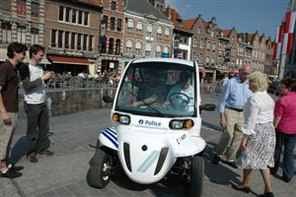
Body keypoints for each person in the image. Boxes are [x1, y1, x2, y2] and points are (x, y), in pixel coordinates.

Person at [233, 72, 275, 197]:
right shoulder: (268, 97)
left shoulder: (254, 99)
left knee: (248, 157)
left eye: (249, 82)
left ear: (254, 84)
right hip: (268, 130)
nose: (247, 84)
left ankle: (245, 184)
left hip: (257, 131)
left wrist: (244, 139)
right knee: (263, 161)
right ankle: (268, 190)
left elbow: (251, 121)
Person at [19, 45, 54, 163]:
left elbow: (41, 84)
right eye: (40, 54)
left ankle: (42, 149)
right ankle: (30, 153)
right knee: (32, 130)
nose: (42, 57)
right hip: (32, 103)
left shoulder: (39, 67)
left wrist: (47, 78)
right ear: (33, 54)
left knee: (44, 128)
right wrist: (43, 78)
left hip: (42, 101)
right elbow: (27, 86)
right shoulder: (24, 67)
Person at [212, 64, 252, 168]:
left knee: (238, 136)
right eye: (245, 73)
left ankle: (231, 158)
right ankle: (218, 154)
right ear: (240, 72)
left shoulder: (249, 84)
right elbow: (223, 100)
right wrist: (222, 116)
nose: (246, 76)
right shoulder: (232, 82)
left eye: (248, 73)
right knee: (227, 134)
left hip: (242, 112)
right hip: (230, 111)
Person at [0, 42, 27, 178]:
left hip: (13, 109)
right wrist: (3, 112)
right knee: (3, 140)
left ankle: (7, 163)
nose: (24, 55)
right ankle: (3, 169)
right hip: (7, 110)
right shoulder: (5, 68)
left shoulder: (13, 68)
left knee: (8, 139)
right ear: (15, 52)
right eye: (23, 53)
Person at [271, 78, 296, 183]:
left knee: (277, 149)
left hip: (282, 129)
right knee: (289, 152)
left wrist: (273, 128)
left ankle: (273, 168)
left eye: (282, 87)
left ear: (289, 88)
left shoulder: (282, 100)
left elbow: (278, 117)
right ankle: (288, 174)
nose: (280, 89)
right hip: (294, 130)